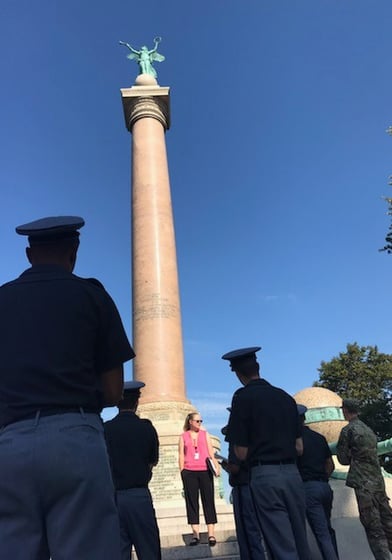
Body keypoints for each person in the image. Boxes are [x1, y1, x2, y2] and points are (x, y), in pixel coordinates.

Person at [0, 216, 135, 560]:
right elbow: (113, 390)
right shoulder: (92, 297)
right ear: (74, 252)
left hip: (9, 444)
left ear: (29, 255)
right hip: (75, 440)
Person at [224, 347, 310, 560]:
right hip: (293, 475)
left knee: (280, 544)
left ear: (237, 372)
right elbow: (299, 447)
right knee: (301, 540)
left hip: (265, 477)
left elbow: (241, 453)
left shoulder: (242, 398)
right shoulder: (285, 398)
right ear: (258, 366)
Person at [104, 380, 161, 560]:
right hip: (139, 496)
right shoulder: (146, 428)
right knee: (149, 551)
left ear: (117, 402)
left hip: (114, 497)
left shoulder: (106, 429)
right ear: (137, 402)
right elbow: (152, 461)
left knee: (118, 553)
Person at [337, 398, 392, 560]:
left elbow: (342, 459)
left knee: (373, 526)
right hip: (377, 482)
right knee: (388, 522)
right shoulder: (368, 430)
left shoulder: (348, 430)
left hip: (363, 483)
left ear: (345, 410)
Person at [221, 409, 269, 560]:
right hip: (259, 484)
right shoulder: (258, 436)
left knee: (248, 533)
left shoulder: (237, 439)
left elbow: (235, 467)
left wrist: (226, 466)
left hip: (243, 486)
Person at [296, 404, 339, 560]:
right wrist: (323, 478)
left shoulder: (293, 441)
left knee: (321, 534)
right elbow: (330, 464)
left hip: (308, 487)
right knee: (327, 530)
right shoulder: (319, 438)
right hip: (324, 486)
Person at [178, 411, 219, 546]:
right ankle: (195, 535)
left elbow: (211, 452)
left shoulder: (205, 434)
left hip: (204, 470)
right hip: (189, 471)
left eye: (201, 421)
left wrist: (216, 466)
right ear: (190, 422)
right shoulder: (183, 436)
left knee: (208, 501)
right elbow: (181, 455)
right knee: (192, 502)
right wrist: (182, 470)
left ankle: (211, 534)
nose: (199, 423)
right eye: (197, 421)